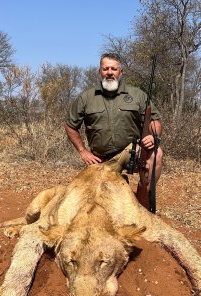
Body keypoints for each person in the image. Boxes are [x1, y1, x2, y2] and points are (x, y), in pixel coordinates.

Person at [64, 53, 163, 199]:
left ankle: (143, 206)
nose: (109, 72)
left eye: (114, 69)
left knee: (156, 154)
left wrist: (153, 136)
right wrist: (83, 151)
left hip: (131, 151)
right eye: (105, 69)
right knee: (94, 199)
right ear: (100, 72)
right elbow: (70, 125)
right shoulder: (86, 97)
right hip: (100, 157)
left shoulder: (137, 95)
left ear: (120, 72)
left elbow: (155, 119)